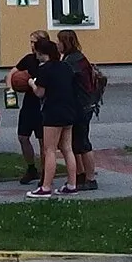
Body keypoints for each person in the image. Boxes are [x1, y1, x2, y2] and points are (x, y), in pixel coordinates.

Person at [26, 37, 82, 198]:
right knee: (67, 148)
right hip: (69, 110)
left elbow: (40, 93)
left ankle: (45, 187)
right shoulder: (65, 66)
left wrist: (31, 83)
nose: (35, 54)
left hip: (53, 112)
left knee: (49, 150)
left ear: (42, 53)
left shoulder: (45, 69)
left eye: (36, 51)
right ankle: (72, 184)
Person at [57, 29, 100, 191]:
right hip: (83, 105)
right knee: (75, 142)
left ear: (66, 43)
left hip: (81, 106)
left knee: (82, 142)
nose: (57, 44)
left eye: (59, 41)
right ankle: (81, 175)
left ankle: (90, 178)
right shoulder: (76, 58)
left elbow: (66, 82)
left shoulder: (72, 61)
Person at [13, 29, 49, 185]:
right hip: (29, 104)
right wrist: (10, 89)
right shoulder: (28, 59)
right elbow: (12, 73)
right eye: (31, 42)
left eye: (34, 42)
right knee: (22, 137)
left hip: (43, 106)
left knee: (43, 141)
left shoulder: (50, 61)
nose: (32, 45)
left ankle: (45, 173)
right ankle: (31, 168)